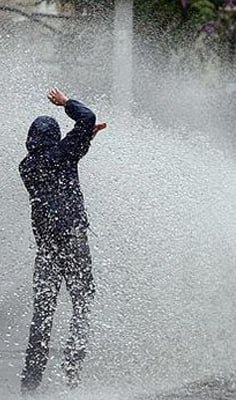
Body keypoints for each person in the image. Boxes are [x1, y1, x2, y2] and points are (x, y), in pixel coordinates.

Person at [19, 88, 107, 393]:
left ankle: (29, 385)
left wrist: (85, 139)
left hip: (47, 249)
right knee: (81, 305)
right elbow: (87, 118)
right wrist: (66, 103)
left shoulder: (26, 167)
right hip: (73, 241)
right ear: (56, 137)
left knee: (42, 314)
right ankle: (72, 372)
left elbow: (66, 158)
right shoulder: (62, 154)